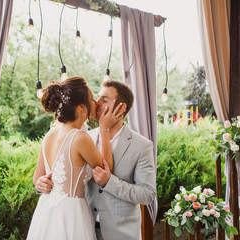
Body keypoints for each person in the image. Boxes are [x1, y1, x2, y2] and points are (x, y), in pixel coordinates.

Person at [38, 79, 157, 240]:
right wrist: (41, 184)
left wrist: (110, 182)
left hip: (121, 234)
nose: (96, 103)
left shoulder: (142, 146)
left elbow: (147, 194)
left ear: (121, 108)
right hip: (79, 226)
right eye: (97, 97)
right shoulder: (83, 138)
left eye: (104, 100)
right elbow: (58, 173)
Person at [27, 77, 123, 240]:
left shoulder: (50, 134)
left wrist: (40, 183)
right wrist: (104, 129)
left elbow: (37, 178)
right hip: (71, 213)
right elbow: (106, 169)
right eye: (91, 99)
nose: (95, 103)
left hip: (46, 211)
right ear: (80, 107)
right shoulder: (79, 137)